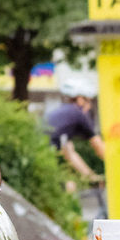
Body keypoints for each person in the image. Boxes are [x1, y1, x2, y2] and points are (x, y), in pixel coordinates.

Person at [44, 76, 105, 216]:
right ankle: (69, 222)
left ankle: (68, 221)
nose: (89, 106)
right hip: (45, 155)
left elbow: (70, 153)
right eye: (89, 101)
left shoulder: (63, 113)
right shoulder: (78, 114)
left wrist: (90, 176)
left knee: (69, 184)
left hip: (42, 153)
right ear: (80, 99)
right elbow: (99, 147)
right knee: (69, 186)